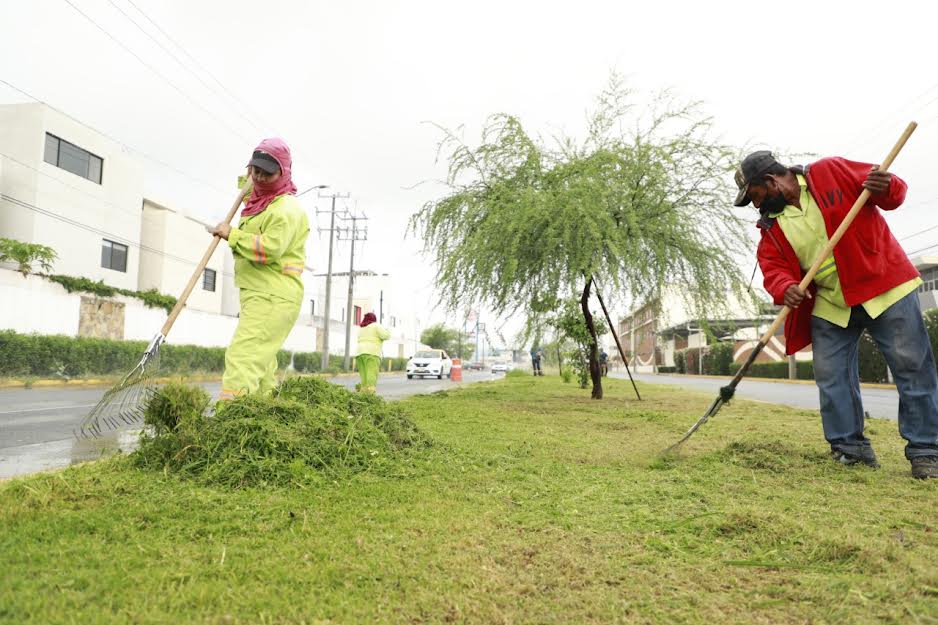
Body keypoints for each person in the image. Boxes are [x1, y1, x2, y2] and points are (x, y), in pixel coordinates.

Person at [735, 150, 938, 479]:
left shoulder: (830, 171)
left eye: (755, 197)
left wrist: (885, 185)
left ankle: (927, 451)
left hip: (884, 286)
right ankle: (850, 449)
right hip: (832, 302)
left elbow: (892, 193)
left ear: (770, 181)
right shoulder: (771, 227)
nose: (756, 206)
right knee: (831, 377)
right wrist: (785, 286)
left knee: (913, 368)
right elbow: (773, 269)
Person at [209, 138, 309, 401]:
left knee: (243, 357)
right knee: (262, 365)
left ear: (283, 173)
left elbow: (269, 248)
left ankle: (228, 421)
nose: (261, 178)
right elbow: (250, 186)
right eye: (256, 171)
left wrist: (232, 234)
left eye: (268, 173)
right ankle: (263, 415)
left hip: (273, 295)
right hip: (258, 292)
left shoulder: (286, 209)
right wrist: (247, 180)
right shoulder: (259, 199)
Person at [356, 312, 390, 392]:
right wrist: (387, 330)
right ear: (374, 319)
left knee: (364, 375)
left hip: (359, 353)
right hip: (372, 353)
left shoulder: (361, 328)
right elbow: (385, 336)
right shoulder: (376, 325)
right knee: (371, 373)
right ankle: (370, 395)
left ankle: (363, 393)